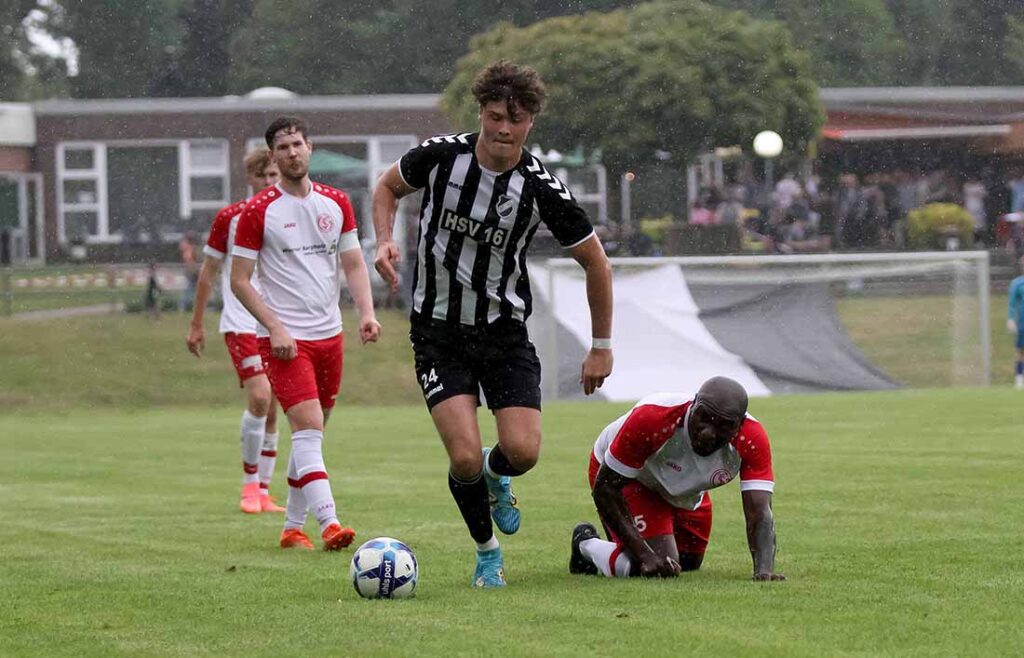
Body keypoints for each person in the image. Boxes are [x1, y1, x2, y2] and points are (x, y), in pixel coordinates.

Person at [372, 60, 613, 588]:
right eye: (496, 115)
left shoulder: (541, 187)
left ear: (531, 123)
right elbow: (386, 188)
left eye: (518, 119)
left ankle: (498, 473)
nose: (505, 128)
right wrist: (384, 239)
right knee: (462, 459)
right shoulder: (439, 157)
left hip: (503, 333)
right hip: (437, 332)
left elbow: (596, 261)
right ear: (481, 112)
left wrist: (601, 346)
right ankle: (487, 554)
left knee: (523, 453)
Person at [231, 116, 381, 551]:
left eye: (298, 144)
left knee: (310, 436)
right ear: (273, 156)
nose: (292, 153)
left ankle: (292, 529)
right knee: (310, 427)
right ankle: (330, 523)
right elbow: (240, 279)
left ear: (309, 148)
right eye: (283, 148)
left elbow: (353, 263)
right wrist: (274, 326)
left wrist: (366, 314)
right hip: (284, 340)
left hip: (329, 336)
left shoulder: (336, 203)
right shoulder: (259, 212)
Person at [568, 376, 784, 581]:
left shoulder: (752, 438)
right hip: (632, 479)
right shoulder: (653, 418)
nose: (708, 433)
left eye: (723, 425)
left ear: (739, 425)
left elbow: (759, 510)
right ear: (694, 404)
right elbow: (605, 489)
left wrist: (764, 570)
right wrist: (645, 555)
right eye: (704, 417)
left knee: (688, 561)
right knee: (659, 566)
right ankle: (585, 544)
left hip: (683, 489)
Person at [187, 148, 285, 514]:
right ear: (251, 178)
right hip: (241, 322)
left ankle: (263, 490)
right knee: (260, 397)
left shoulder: (288, 214)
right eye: (264, 176)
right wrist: (197, 324)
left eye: (275, 175)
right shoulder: (230, 218)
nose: (271, 182)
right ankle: (248, 487)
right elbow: (208, 274)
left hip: (278, 323)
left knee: (273, 408)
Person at [1007, 255, 1024, 389]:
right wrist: (1011, 319)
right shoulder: (1017, 283)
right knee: (1020, 351)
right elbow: (1011, 304)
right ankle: (1019, 378)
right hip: (1023, 324)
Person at [178, 231, 200, 312]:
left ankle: (186, 305)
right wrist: (194, 268)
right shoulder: (189, 248)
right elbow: (190, 259)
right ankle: (183, 305)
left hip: (190, 270)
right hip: (191, 270)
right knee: (190, 288)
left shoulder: (187, 247)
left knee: (190, 288)